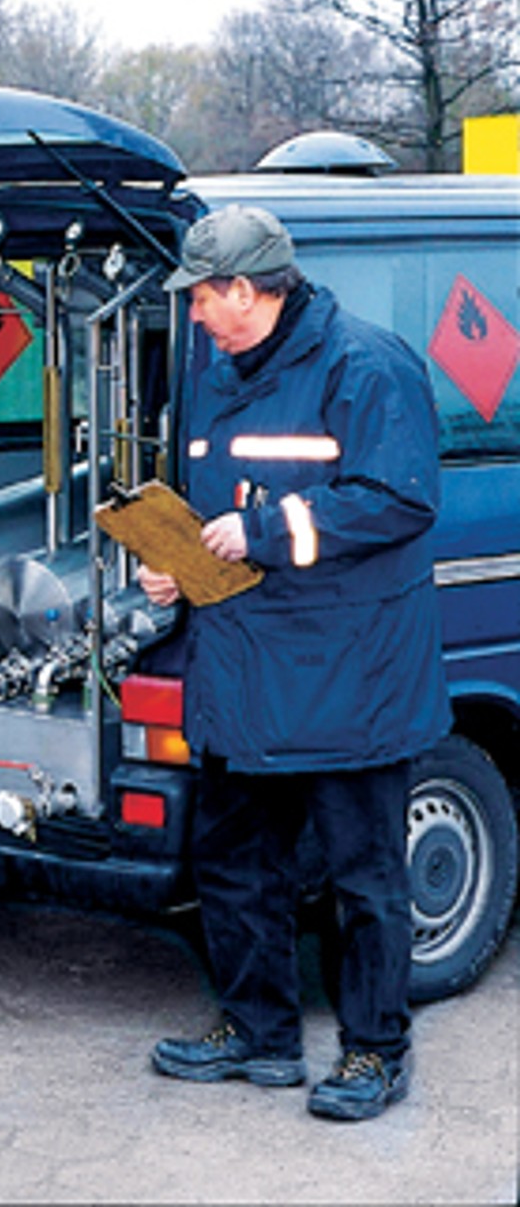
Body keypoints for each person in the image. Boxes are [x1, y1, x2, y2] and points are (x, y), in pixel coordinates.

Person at [140, 204, 448, 1121]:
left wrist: (266, 531)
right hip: (242, 671)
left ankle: (375, 1054)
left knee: (362, 882)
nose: (192, 315)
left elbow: (399, 499)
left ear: (244, 290)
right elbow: (220, 509)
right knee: (234, 867)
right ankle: (259, 1035)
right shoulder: (218, 370)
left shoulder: (366, 363)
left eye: (200, 298)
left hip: (347, 677)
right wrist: (181, 569)